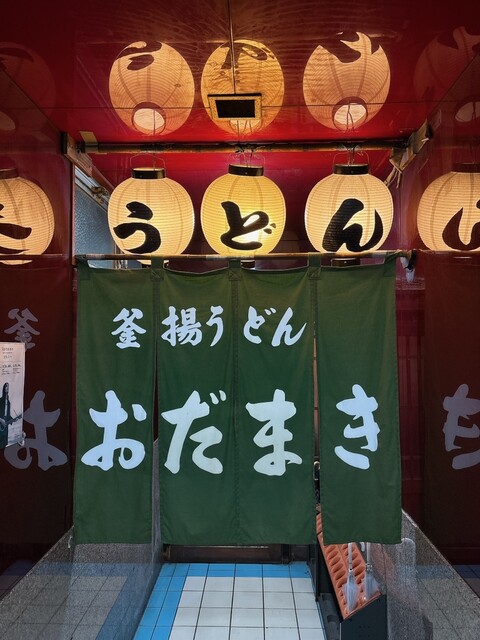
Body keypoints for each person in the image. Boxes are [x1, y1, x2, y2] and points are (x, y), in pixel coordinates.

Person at [0, 382, 12, 449]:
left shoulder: (9, 402)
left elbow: (8, 414)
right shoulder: (0, 400)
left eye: (8, 387)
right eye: (6, 387)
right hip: (0, 423)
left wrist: (12, 419)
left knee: (4, 443)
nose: (7, 389)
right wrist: (0, 420)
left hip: (6, 425)